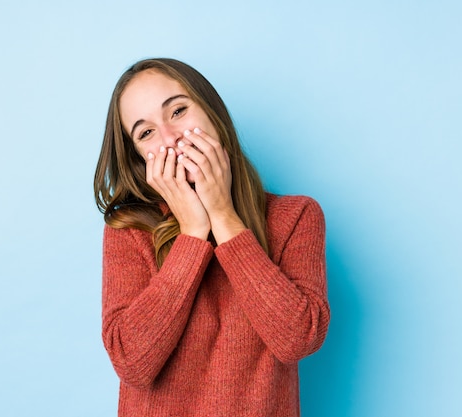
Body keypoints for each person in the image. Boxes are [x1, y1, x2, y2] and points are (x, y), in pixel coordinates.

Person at [94, 58, 330, 417]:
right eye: (146, 133)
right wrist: (192, 233)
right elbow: (132, 363)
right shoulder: (129, 230)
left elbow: (297, 339)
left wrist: (222, 215)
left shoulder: (295, 218)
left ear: (212, 110)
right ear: (141, 160)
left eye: (178, 111)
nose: (170, 138)